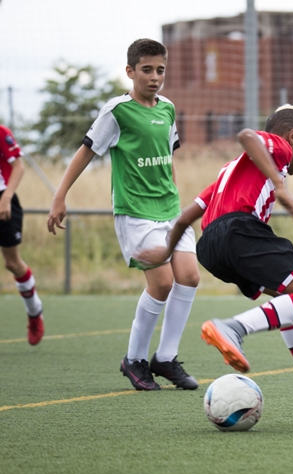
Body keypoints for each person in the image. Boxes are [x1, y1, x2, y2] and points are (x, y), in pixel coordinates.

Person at [137, 105, 293, 418]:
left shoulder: (230, 171)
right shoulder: (278, 147)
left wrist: (165, 251)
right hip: (239, 231)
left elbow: (185, 218)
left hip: (211, 247)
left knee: (292, 300)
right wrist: (280, 186)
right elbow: (246, 135)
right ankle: (233, 328)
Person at [47, 39, 199, 391]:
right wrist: (60, 195)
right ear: (130, 71)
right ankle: (134, 359)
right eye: (146, 70)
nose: (154, 77)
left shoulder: (168, 108)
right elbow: (86, 152)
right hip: (136, 212)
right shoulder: (117, 111)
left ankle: (166, 358)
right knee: (162, 284)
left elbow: (168, 157)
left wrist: (177, 204)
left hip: (169, 210)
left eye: (160, 70)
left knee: (189, 277)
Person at [0, 124, 44, 345]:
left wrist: (6, 198)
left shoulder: (2, 132)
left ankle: (34, 312)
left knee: (12, 263)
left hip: (3, 200)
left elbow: (19, 167)